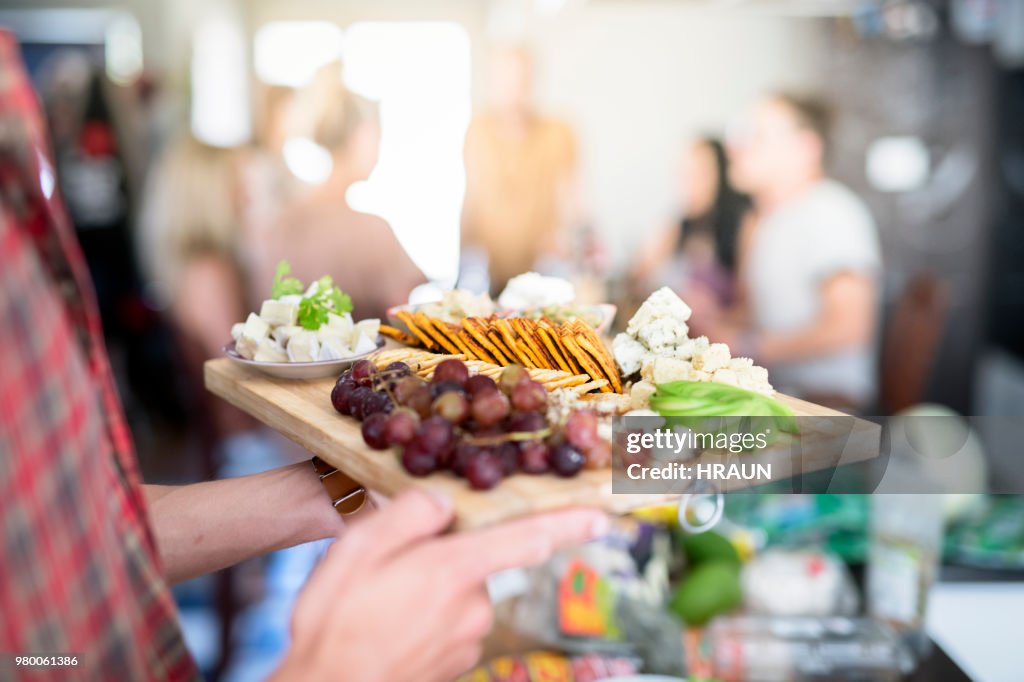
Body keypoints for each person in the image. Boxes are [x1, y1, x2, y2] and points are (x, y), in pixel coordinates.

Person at [0, 32, 608, 681]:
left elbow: (61, 538)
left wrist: (330, 490)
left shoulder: (278, 222)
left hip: (301, 444)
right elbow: (435, 314)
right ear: (359, 139)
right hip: (321, 439)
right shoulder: (369, 227)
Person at [693, 93, 881, 411]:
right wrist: (708, 318)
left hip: (823, 402)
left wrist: (745, 344)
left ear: (805, 148)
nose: (735, 148)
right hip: (776, 390)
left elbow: (850, 327)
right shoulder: (763, 220)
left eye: (756, 136)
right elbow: (756, 315)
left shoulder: (831, 211)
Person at [249, 62, 424, 320]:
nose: (379, 152)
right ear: (360, 136)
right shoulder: (373, 231)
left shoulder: (278, 222)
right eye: (378, 138)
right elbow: (402, 320)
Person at [460, 45, 580, 294]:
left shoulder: (558, 132)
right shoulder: (477, 130)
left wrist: (566, 236)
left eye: (520, 82)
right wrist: (465, 261)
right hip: (490, 270)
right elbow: (471, 198)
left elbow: (572, 199)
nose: (513, 92)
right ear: (491, 83)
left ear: (533, 81)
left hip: (543, 271)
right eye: (505, 82)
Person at [630, 136, 750, 305]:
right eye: (685, 172)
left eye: (700, 172)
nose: (690, 181)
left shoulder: (743, 223)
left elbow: (746, 307)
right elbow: (637, 281)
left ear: (722, 174)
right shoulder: (676, 225)